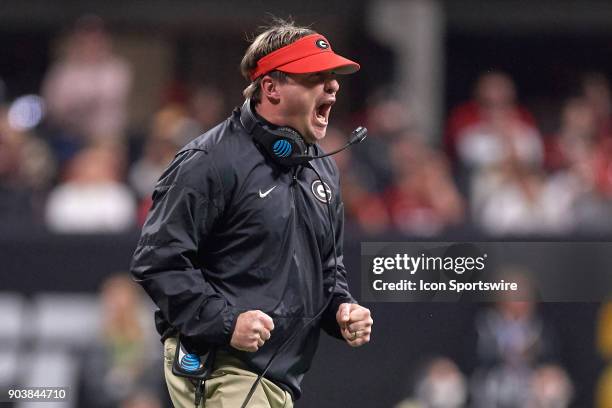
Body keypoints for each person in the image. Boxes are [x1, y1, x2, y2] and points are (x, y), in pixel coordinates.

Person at [130, 18, 373, 408]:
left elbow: (329, 269)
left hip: (278, 377)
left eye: (332, 76)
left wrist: (342, 309)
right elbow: (157, 262)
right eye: (314, 75)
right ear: (271, 88)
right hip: (222, 366)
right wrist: (227, 323)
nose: (333, 85)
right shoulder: (210, 161)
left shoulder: (322, 167)